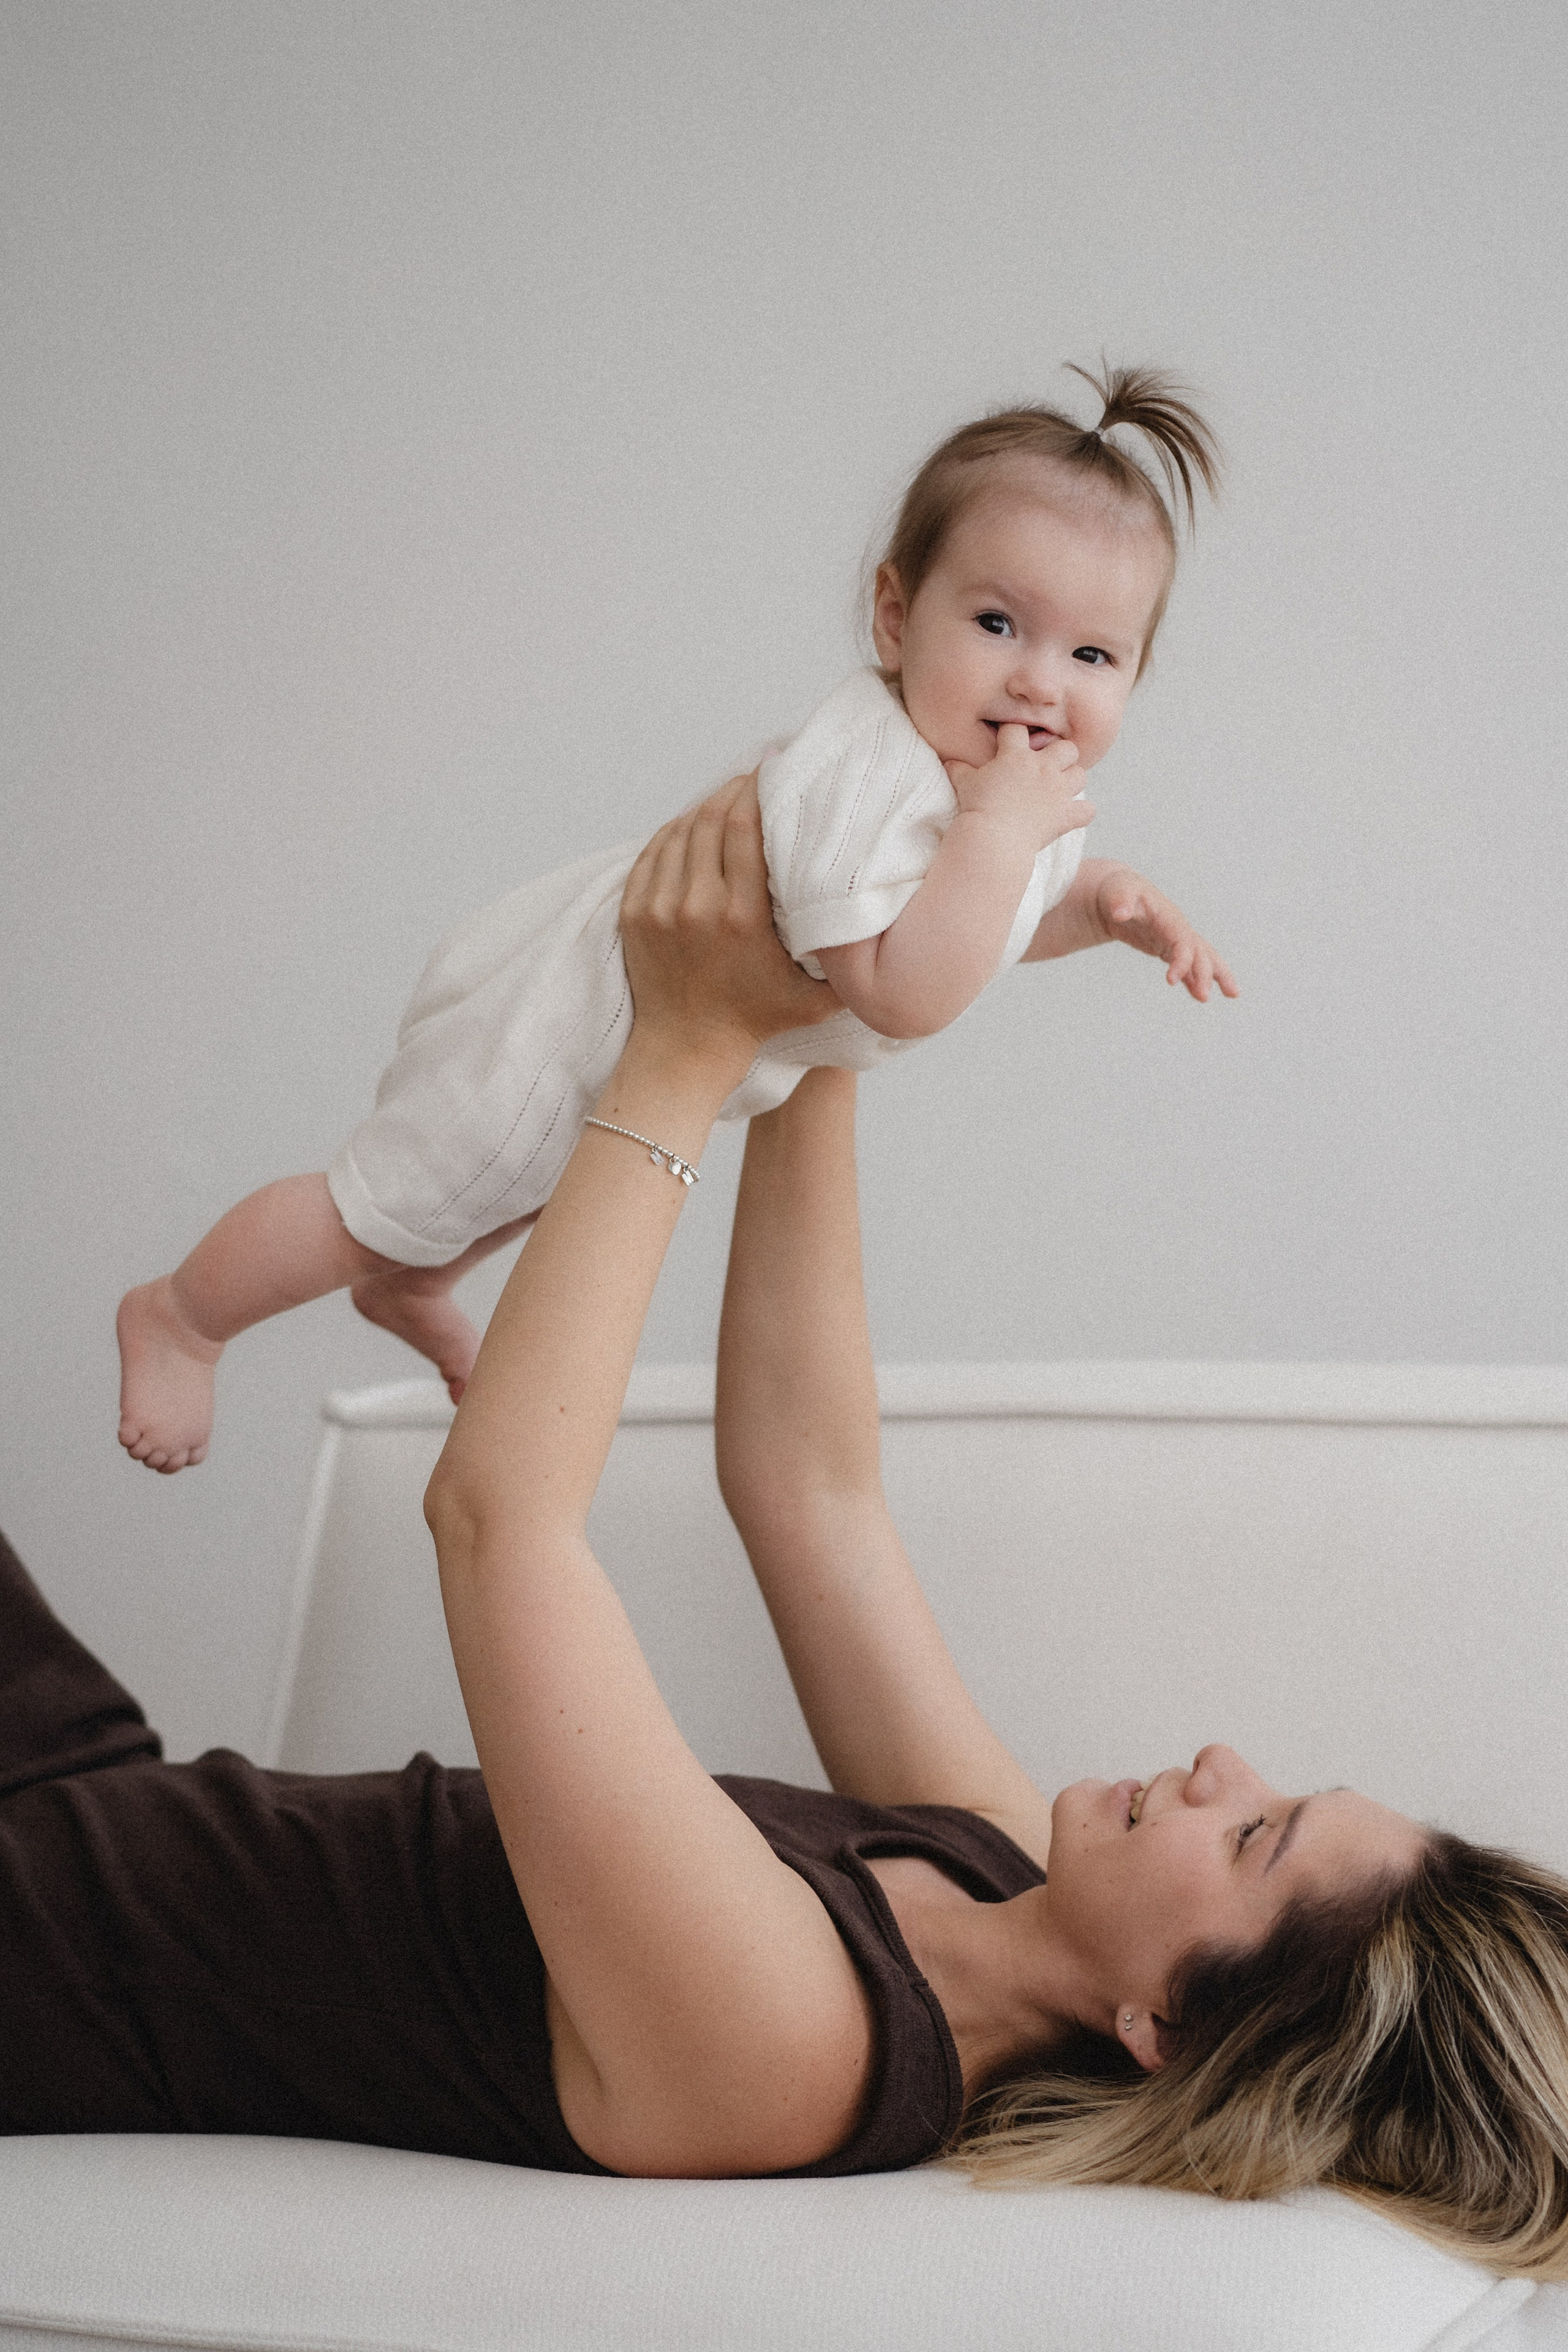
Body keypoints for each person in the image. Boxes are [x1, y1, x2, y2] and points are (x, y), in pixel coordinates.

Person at [14, 783, 1567, 2277]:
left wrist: (684, 1047)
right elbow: (809, 1492)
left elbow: (500, 1524)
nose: (1227, 1765)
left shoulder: (791, 2047)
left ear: (1163, 2026)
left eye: (1252, 1838)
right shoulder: (988, 1868)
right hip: (89, 1789)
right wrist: (838, 999)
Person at [116, 363, 1237, 1474]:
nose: (1043, 684)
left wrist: (1099, 904)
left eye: (1092, 654)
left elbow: (988, 927)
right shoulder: (876, 774)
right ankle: (183, 1315)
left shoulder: (1008, 789)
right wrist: (1002, 840)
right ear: (897, 620)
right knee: (381, 1200)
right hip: (561, 1023)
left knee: (524, 1185)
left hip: (649, 1051)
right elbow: (904, 986)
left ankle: (410, 1288)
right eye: (998, 623)